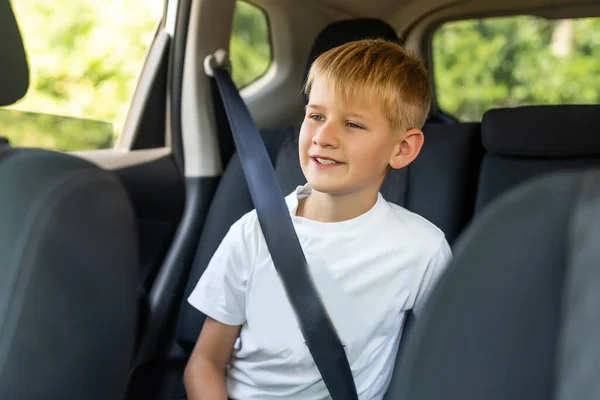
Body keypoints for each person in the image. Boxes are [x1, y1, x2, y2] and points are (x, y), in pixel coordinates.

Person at [184, 38, 452, 400]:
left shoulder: (421, 248)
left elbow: (452, 359)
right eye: (316, 116)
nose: (324, 137)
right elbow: (204, 363)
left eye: (353, 124)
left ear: (402, 148)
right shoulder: (253, 233)